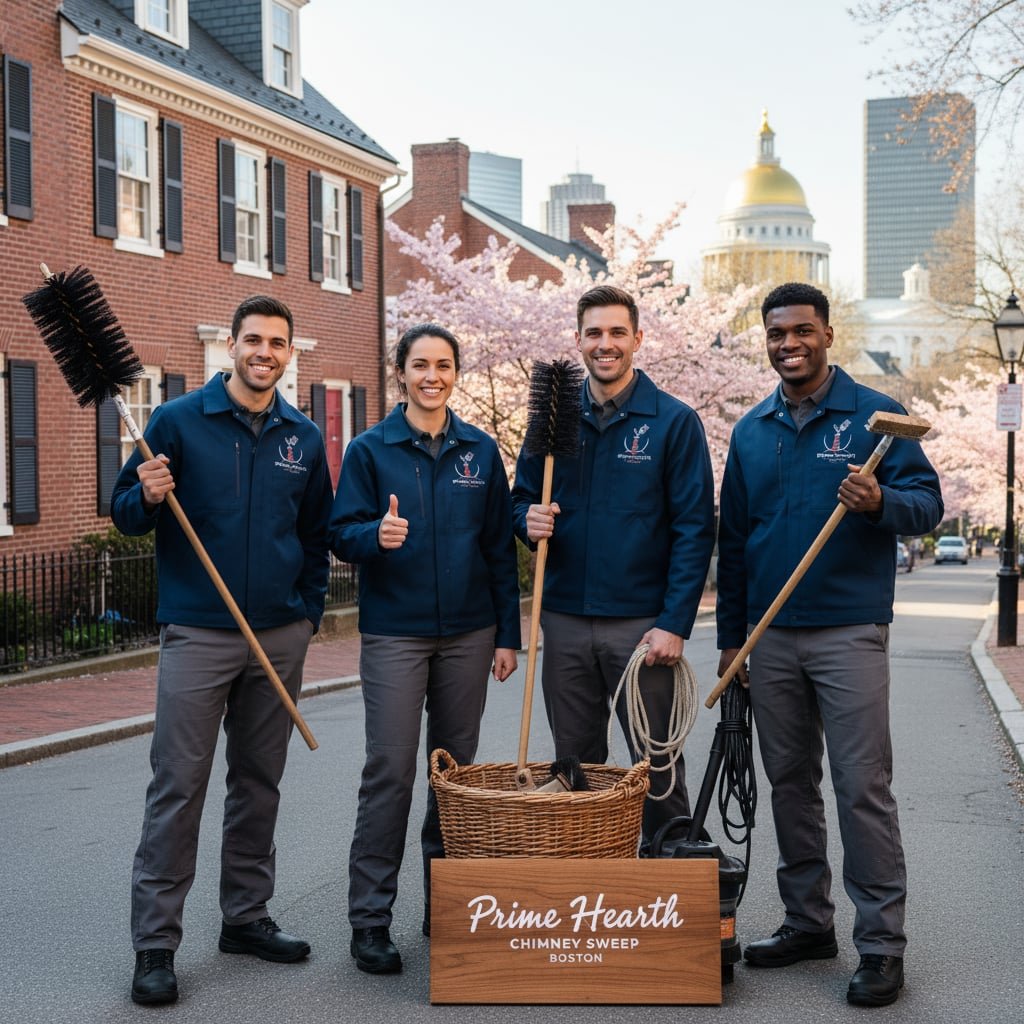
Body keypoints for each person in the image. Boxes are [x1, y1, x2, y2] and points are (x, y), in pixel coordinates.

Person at [716, 282, 943, 1008]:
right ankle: (807, 922)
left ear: (827, 334)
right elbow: (735, 543)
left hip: (849, 632)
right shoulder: (753, 430)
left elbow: (927, 507)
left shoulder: (880, 421)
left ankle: (880, 946)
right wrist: (733, 643)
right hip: (772, 637)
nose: (790, 343)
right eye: (778, 333)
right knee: (789, 785)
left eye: (803, 331)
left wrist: (880, 503)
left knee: (861, 788)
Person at [111, 295, 332, 1005]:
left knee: (258, 783)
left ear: (289, 353)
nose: (264, 352)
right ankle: (155, 944)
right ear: (232, 346)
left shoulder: (303, 434)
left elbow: (317, 535)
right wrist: (143, 494)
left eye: (277, 342)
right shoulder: (176, 421)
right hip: (199, 633)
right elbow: (124, 519)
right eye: (253, 340)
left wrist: (305, 615)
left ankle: (245, 917)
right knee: (179, 786)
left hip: (277, 634)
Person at [330, 323, 520, 975]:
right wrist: (372, 534)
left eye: (443, 364)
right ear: (401, 372)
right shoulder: (369, 449)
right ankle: (370, 921)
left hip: (469, 634)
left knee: (455, 774)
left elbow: (499, 547)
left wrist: (507, 635)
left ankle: (447, 905)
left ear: (455, 372)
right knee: (389, 770)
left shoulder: (481, 451)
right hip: (395, 634)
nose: (431, 375)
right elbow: (338, 533)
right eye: (419, 364)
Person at [511, 285, 716, 839]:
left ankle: (669, 875)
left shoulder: (673, 422)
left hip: (642, 627)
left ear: (638, 339)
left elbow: (695, 529)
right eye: (595, 333)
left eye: (617, 332)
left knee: (656, 762)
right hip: (566, 620)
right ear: (578, 340)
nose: (606, 344)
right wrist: (525, 521)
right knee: (574, 763)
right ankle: (590, 875)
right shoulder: (552, 420)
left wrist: (674, 622)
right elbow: (517, 501)